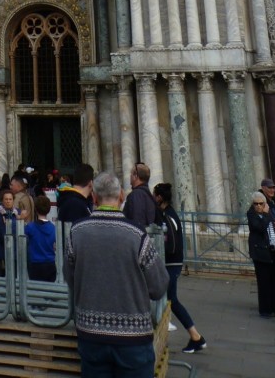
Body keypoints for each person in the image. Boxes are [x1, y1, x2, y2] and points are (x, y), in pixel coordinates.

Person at [65, 171, 169, 378]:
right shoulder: (137, 235)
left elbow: (70, 278)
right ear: (122, 196)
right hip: (132, 339)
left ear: (93, 197)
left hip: (90, 334)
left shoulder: (76, 232)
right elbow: (158, 286)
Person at [153, 183, 206, 352]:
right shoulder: (170, 214)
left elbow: (170, 244)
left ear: (160, 198)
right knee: (165, 301)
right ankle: (191, 337)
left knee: (171, 301)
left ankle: (196, 337)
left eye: (154, 196)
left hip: (170, 263)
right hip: (173, 263)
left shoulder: (167, 216)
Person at [248, 190, 275, 318]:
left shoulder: (270, 213)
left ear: (265, 203)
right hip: (261, 253)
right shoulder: (252, 214)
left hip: (274, 251)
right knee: (264, 282)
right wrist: (267, 215)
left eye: (261, 204)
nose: (258, 206)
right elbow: (259, 227)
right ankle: (265, 309)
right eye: (255, 204)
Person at [25, 194, 57, 282]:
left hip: (35, 263)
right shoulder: (53, 228)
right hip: (50, 263)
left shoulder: (30, 227)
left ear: (35, 209)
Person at [123, 162, 157, 230]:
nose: (130, 176)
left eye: (131, 174)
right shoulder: (147, 194)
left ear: (136, 176)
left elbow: (137, 222)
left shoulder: (137, 195)